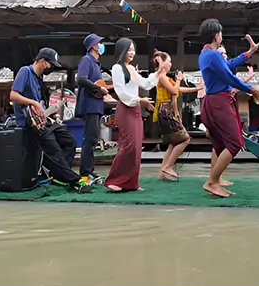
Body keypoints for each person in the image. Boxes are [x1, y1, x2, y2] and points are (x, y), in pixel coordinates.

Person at [10, 48, 93, 192]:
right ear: (42, 61)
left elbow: (41, 104)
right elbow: (13, 95)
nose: (50, 68)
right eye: (49, 64)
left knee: (69, 141)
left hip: (42, 120)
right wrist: (34, 103)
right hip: (29, 122)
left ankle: (58, 176)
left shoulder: (39, 78)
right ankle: (73, 180)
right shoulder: (25, 71)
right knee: (53, 148)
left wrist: (48, 111)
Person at [198, 20, 259, 197]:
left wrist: (249, 53)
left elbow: (228, 65)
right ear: (216, 35)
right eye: (220, 33)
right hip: (219, 102)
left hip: (213, 102)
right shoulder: (212, 55)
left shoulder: (206, 54)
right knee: (235, 143)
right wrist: (251, 89)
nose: (222, 36)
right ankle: (212, 182)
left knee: (220, 144)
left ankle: (215, 181)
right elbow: (229, 76)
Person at [105, 39, 164, 192]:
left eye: (133, 50)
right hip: (125, 109)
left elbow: (145, 84)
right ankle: (114, 180)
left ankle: (131, 183)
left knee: (137, 146)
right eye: (129, 50)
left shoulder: (130, 68)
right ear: (122, 51)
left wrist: (158, 72)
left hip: (136, 109)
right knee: (128, 145)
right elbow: (121, 92)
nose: (132, 53)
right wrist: (139, 100)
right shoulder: (117, 68)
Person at [151, 51, 196, 181]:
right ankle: (168, 167)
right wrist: (178, 79)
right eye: (169, 61)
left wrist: (197, 89)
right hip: (166, 111)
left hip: (164, 111)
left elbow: (179, 89)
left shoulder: (164, 78)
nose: (171, 64)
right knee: (185, 139)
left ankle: (162, 172)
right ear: (161, 62)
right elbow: (174, 90)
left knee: (173, 142)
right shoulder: (163, 77)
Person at [75, 33, 111, 182]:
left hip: (96, 106)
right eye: (99, 43)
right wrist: (97, 88)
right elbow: (81, 79)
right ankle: (84, 172)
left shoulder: (96, 63)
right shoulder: (86, 60)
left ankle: (90, 170)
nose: (101, 45)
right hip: (90, 106)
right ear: (93, 46)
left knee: (93, 139)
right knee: (89, 139)